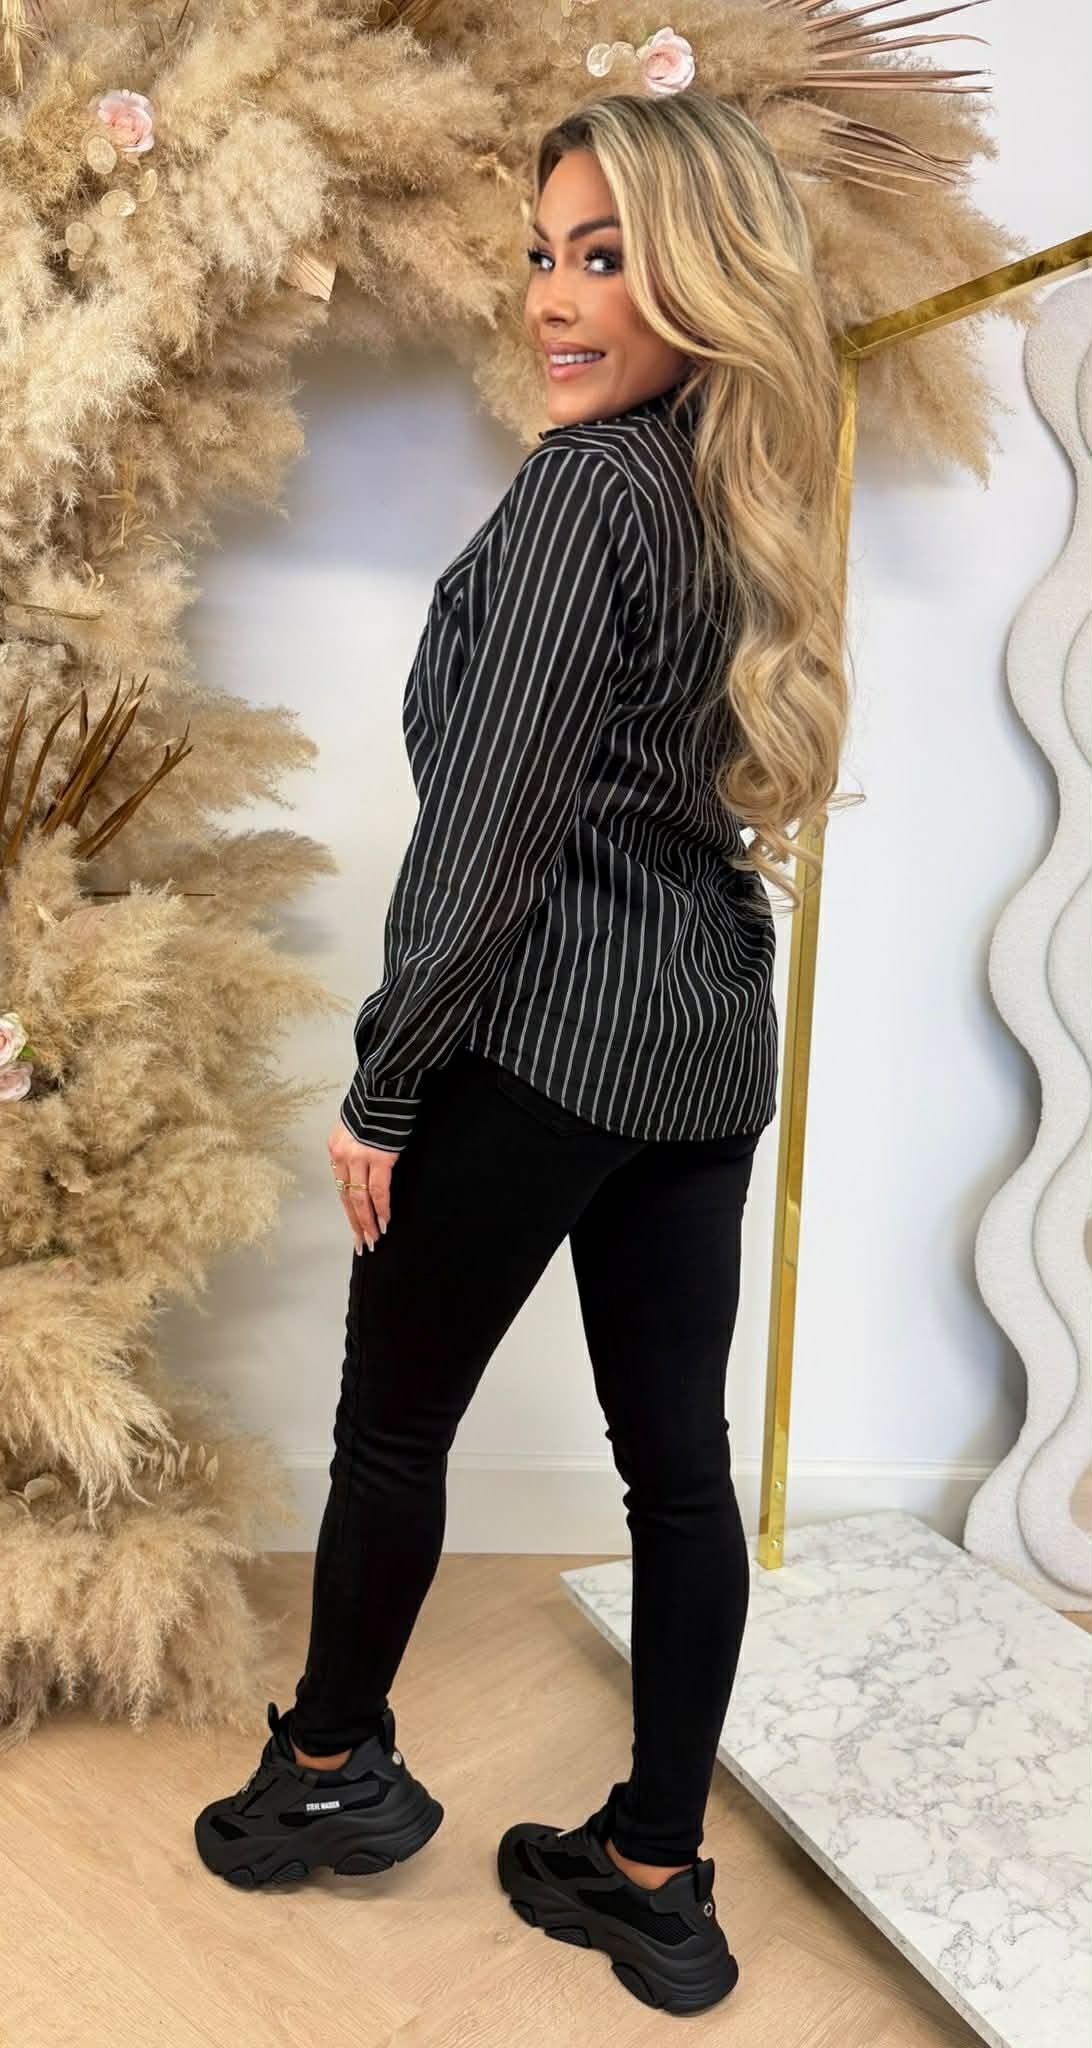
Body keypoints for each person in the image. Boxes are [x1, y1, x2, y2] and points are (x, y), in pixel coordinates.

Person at [194, 88, 849, 2018]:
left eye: (606, 258)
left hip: (539, 1043)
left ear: (703, 276)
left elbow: (484, 839)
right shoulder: (742, 483)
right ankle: (655, 1876)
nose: (555, 301)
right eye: (545, 257)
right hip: (705, 1046)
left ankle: (329, 1769)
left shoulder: (586, 496)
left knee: (396, 1427)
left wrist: (388, 1080)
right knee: (680, 1477)